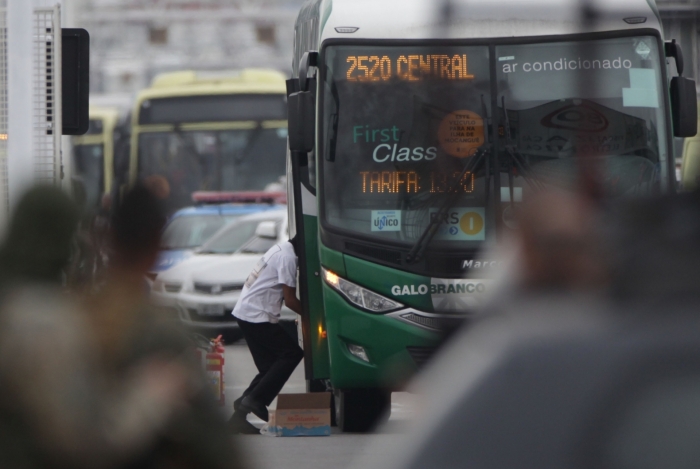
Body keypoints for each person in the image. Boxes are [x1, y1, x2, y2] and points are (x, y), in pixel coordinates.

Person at [228, 235, 304, 434]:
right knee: (291, 354)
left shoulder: (280, 249)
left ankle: (240, 414)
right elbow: (290, 300)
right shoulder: (287, 258)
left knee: (269, 368)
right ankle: (254, 400)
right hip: (256, 315)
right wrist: (316, 316)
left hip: (247, 312)